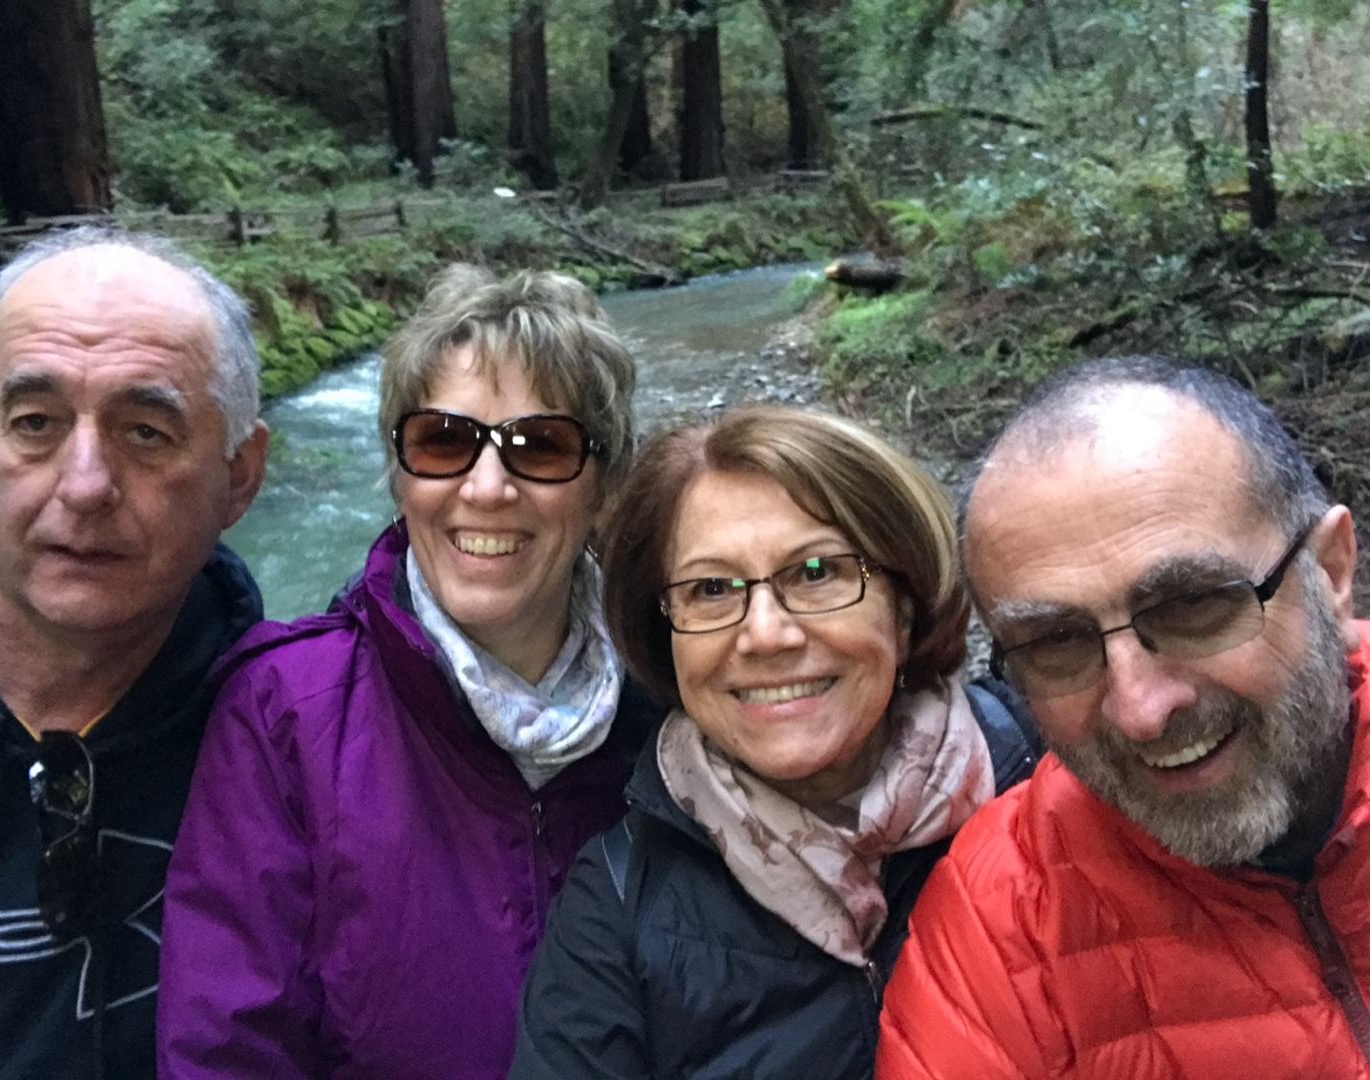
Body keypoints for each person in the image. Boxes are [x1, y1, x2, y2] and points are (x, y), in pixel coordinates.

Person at [157, 263, 657, 1080]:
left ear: (603, 486)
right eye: (444, 441)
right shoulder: (285, 713)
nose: (487, 487)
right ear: (399, 474)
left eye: (541, 446)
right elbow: (229, 1054)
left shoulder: (676, 699)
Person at [875, 355, 1370, 1079]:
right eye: (1057, 643)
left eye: (1193, 604)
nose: (1141, 710)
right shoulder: (1003, 924)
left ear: (1330, 572)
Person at [509, 405, 1040, 1080]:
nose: (766, 634)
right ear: (667, 639)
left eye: (816, 572)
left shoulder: (1057, 785)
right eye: (711, 589)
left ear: (903, 610)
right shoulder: (613, 912)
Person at [0, 228, 268, 1079]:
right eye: (35, 424)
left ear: (239, 475)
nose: (84, 485)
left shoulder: (293, 745)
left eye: (146, 432)